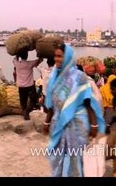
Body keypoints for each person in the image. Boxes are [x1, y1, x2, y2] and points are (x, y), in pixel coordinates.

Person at [43, 44, 105, 177]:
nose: (57, 59)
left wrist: (94, 125)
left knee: (75, 160)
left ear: (68, 57)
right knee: (57, 158)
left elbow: (88, 102)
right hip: (58, 123)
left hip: (77, 125)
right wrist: (47, 122)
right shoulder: (54, 77)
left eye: (60, 56)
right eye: (56, 56)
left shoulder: (80, 77)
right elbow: (53, 103)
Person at [13, 49, 43, 120]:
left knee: (23, 101)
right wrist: (38, 52)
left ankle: (25, 112)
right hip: (30, 85)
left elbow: (14, 59)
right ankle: (26, 112)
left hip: (21, 86)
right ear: (27, 56)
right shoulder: (30, 63)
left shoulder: (17, 63)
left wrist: (18, 54)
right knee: (34, 100)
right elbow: (40, 60)